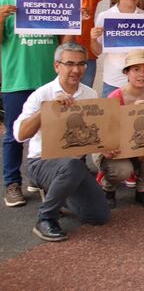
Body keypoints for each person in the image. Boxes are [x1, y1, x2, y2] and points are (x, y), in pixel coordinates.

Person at [13, 43, 109, 242]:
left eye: (81, 64)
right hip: (41, 162)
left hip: (74, 166)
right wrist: (46, 110)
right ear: (57, 66)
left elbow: (94, 135)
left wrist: (106, 147)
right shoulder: (42, 94)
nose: (76, 70)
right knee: (72, 166)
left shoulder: (90, 94)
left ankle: (60, 193)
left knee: (98, 216)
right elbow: (20, 135)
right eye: (69, 64)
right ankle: (45, 217)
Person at [0, 0, 58, 207]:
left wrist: (73, 21)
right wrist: (1, 19)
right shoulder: (5, 3)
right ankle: (12, 183)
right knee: (15, 135)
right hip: (17, 81)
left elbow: (64, 43)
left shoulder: (55, 7)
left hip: (48, 82)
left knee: (50, 135)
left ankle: (41, 178)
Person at [100, 50, 144, 209]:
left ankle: (143, 189)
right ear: (127, 72)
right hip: (118, 148)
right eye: (136, 69)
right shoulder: (115, 96)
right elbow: (107, 131)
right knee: (122, 170)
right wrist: (131, 113)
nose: (142, 74)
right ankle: (108, 188)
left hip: (142, 143)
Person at [91, 0, 144, 97]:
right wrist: (93, 38)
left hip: (140, 80)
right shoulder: (105, 16)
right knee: (111, 115)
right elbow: (97, 51)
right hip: (114, 79)